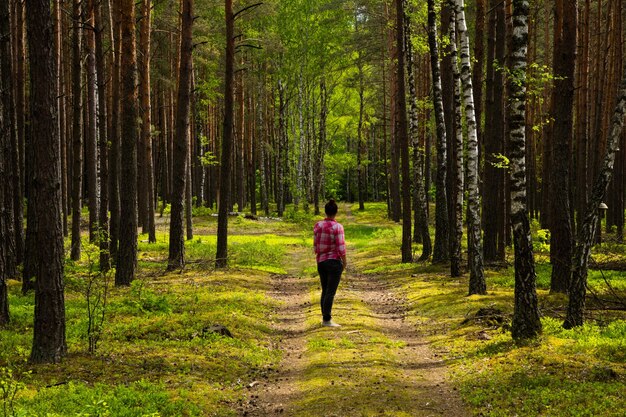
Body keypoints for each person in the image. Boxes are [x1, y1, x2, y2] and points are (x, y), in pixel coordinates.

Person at [313, 199, 347, 327]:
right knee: (330, 292)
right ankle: (327, 319)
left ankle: (325, 318)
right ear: (336, 212)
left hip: (321, 261)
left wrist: (319, 256)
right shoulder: (337, 227)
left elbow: (315, 245)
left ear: (326, 211)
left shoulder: (318, 225)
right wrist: (344, 262)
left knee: (325, 289)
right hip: (333, 262)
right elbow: (341, 247)